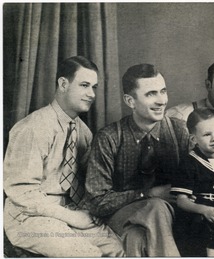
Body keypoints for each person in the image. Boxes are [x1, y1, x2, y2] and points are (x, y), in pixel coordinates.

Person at [4, 56, 125, 257]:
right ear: (63, 84)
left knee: (116, 248)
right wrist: (71, 217)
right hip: (28, 216)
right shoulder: (33, 127)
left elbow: (88, 180)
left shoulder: (83, 132)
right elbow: (20, 191)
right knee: (86, 254)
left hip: (68, 211)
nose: (91, 94)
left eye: (94, 87)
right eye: (85, 85)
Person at [85, 64, 189, 256]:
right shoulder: (109, 138)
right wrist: (147, 194)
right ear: (130, 101)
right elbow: (96, 202)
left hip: (172, 214)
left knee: (136, 237)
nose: (161, 101)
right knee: (156, 206)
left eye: (163, 91)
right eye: (151, 94)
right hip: (122, 215)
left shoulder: (179, 131)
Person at [171, 108, 214, 256]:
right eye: (207, 134)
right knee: (207, 225)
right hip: (197, 212)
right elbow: (181, 201)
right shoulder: (189, 162)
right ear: (193, 139)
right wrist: (204, 210)